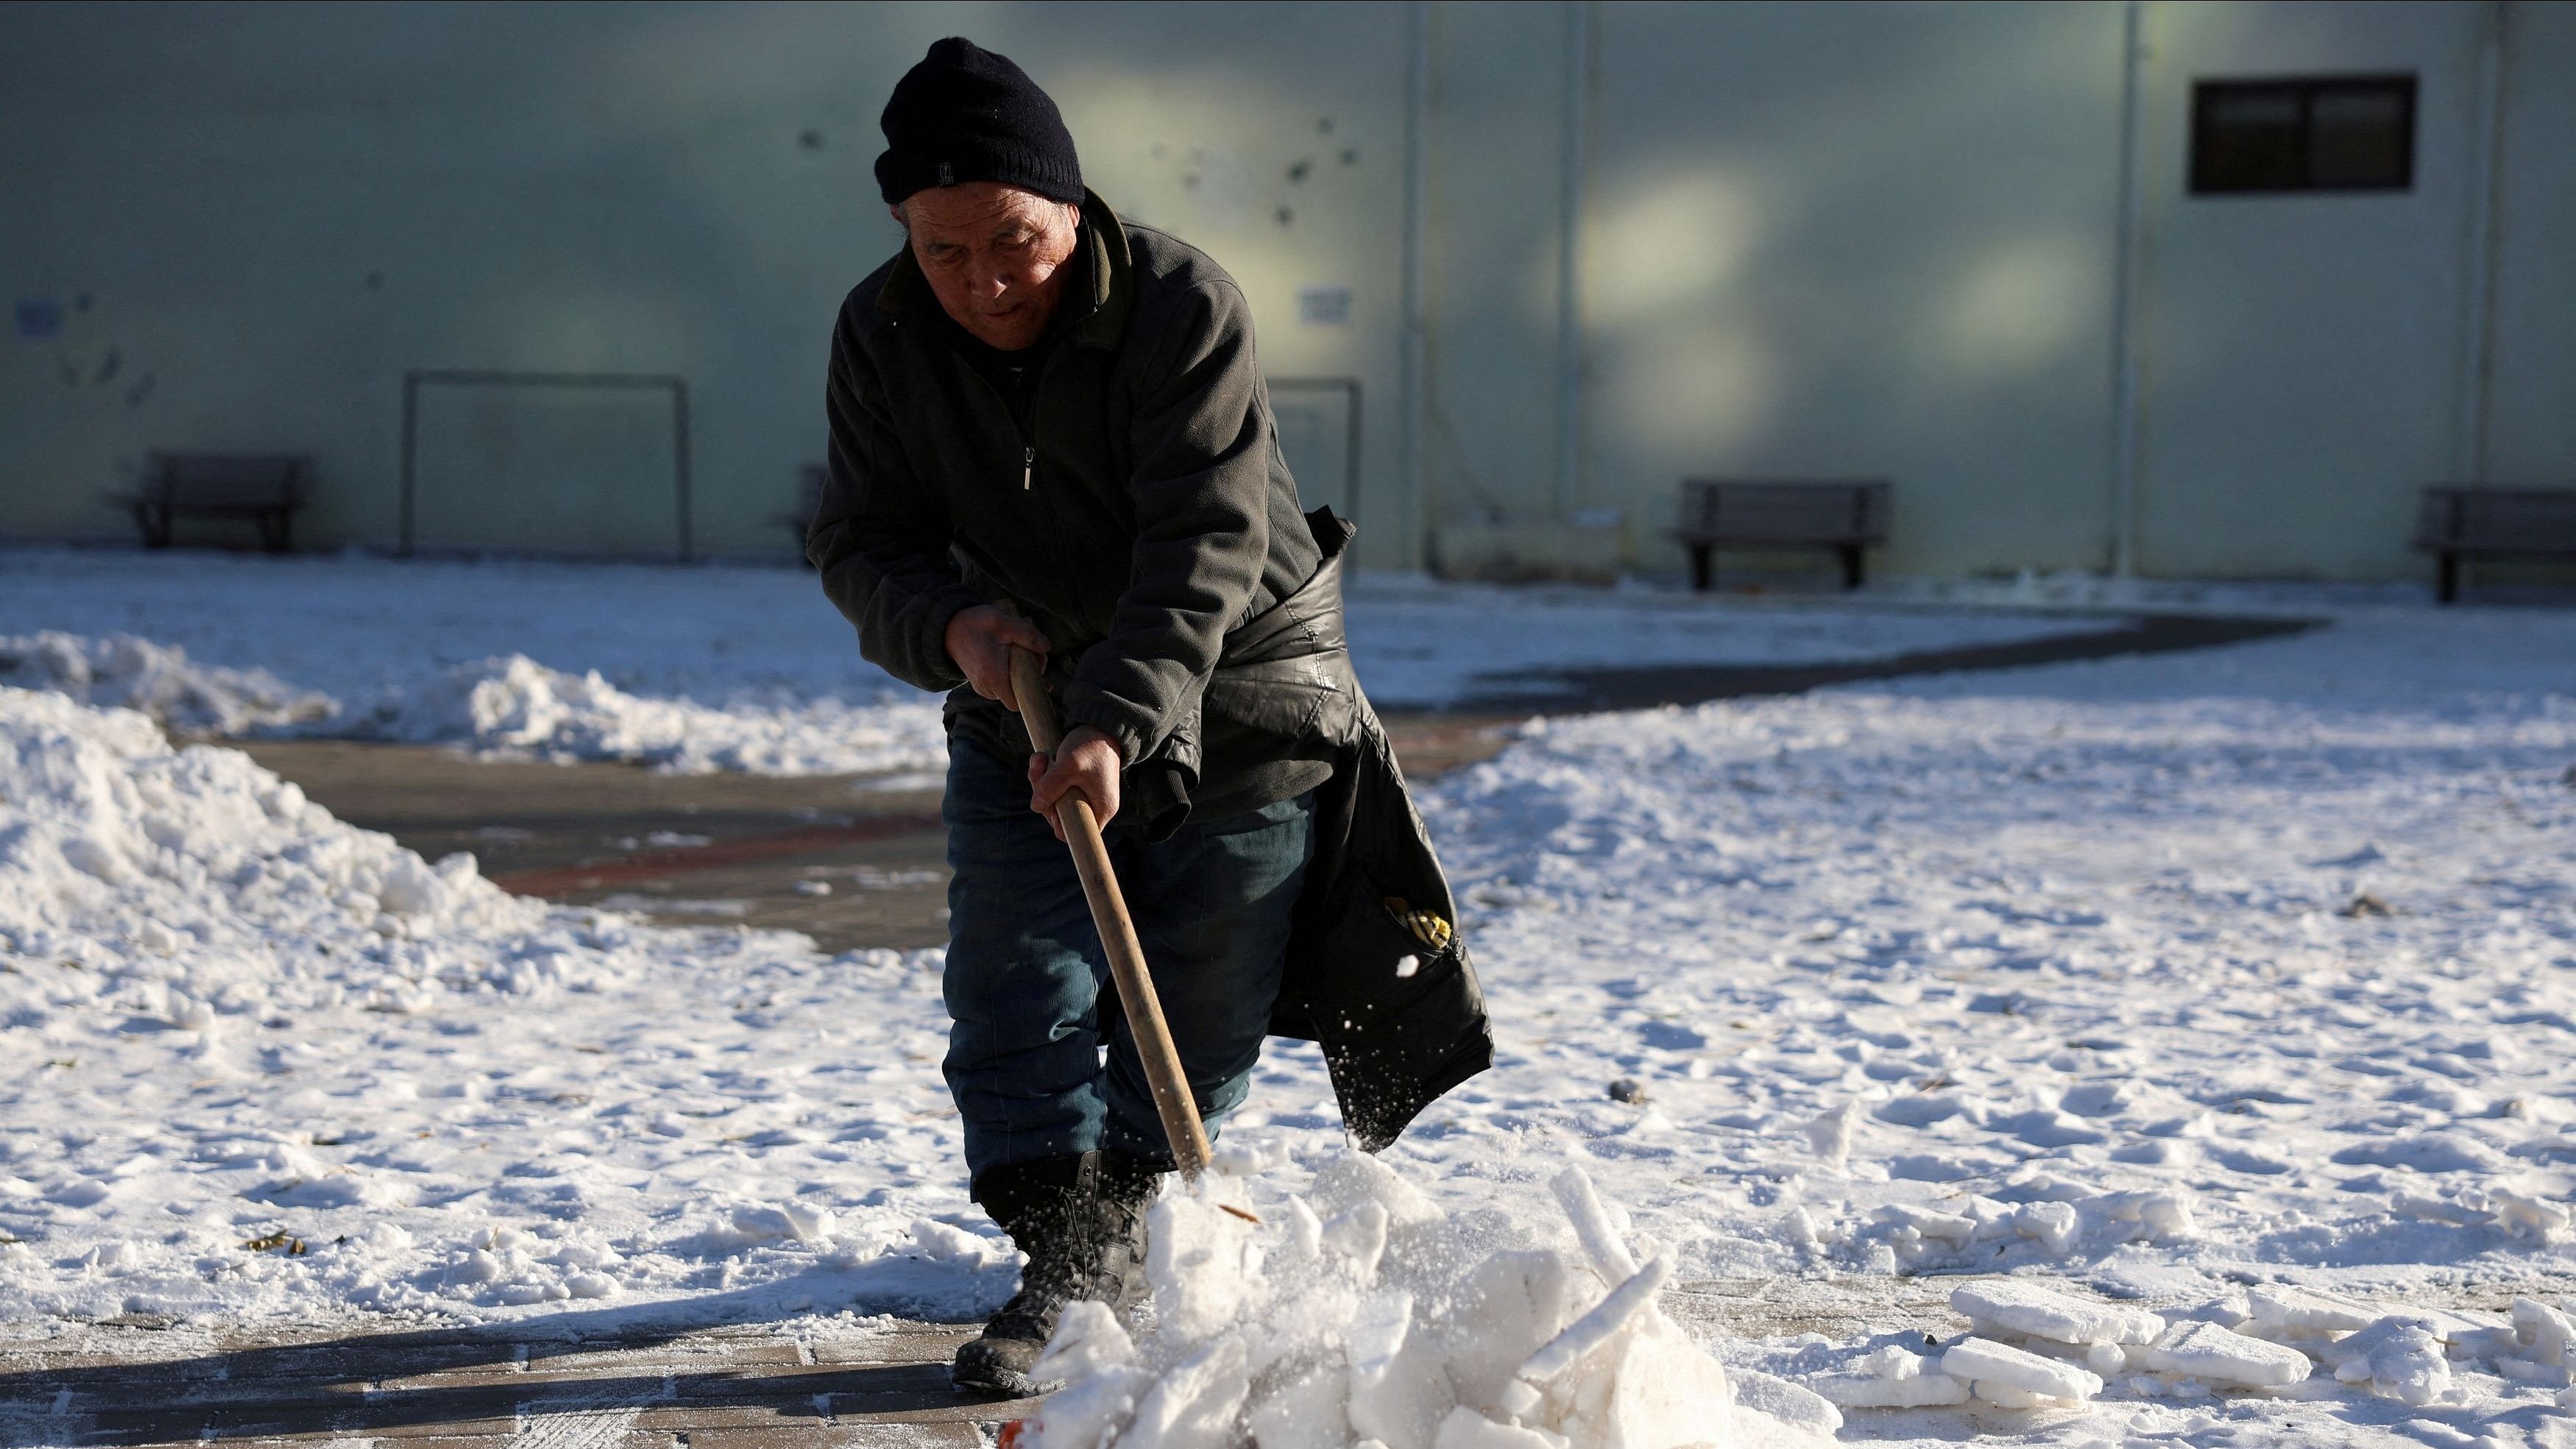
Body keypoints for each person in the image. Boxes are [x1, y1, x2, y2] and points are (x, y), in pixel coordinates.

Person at [809, 37, 1492, 1397]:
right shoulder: (882, 331)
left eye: (1013, 238)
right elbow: (858, 537)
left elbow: (1204, 543)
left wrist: (1115, 722)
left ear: (1071, 207)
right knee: (1014, 988)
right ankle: (1068, 1270)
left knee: (1193, 999)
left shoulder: (1180, 305)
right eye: (944, 249)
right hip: (1024, 685)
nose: (984, 281)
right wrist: (952, 631)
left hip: (1244, 690)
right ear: (902, 231)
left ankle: (1132, 1245)